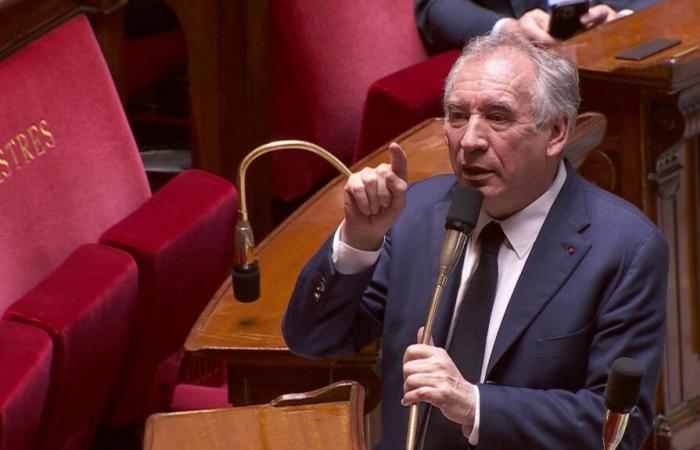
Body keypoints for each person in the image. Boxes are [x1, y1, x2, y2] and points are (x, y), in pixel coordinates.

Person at [283, 34, 667, 449]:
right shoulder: (415, 214)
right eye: (457, 116)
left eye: (498, 117)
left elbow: (616, 430)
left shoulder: (625, 247)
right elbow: (312, 339)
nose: (470, 140)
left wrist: (474, 404)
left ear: (556, 133)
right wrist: (358, 240)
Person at [416, 0, 659, 52]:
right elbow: (435, 6)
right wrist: (508, 30)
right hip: (521, 61)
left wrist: (625, 18)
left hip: (621, 50)